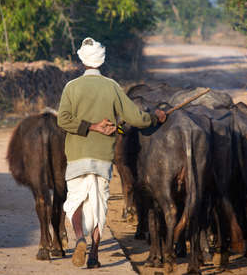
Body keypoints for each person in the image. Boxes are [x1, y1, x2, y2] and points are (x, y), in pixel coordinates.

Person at [57, 37, 166, 268]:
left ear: (81, 60)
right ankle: (94, 255)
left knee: (76, 202)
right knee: (99, 205)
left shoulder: (71, 87)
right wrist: (155, 117)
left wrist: (91, 126)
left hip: (77, 154)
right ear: (101, 61)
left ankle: (79, 240)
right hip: (102, 157)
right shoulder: (112, 87)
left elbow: (63, 120)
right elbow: (135, 118)